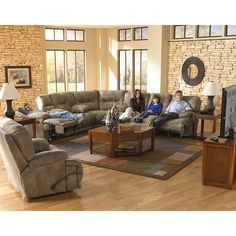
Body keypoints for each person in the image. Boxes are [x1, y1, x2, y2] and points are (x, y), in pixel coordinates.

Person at [17, 103, 85, 122]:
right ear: (25, 110)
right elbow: (18, 108)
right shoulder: (30, 114)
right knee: (64, 113)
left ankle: (74, 118)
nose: (29, 107)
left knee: (63, 114)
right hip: (48, 115)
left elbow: (42, 112)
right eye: (27, 107)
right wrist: (25, 109)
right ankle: (76, 117)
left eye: (29, 106)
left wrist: (46, 111)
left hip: (47, 113)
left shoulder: (35, 110)